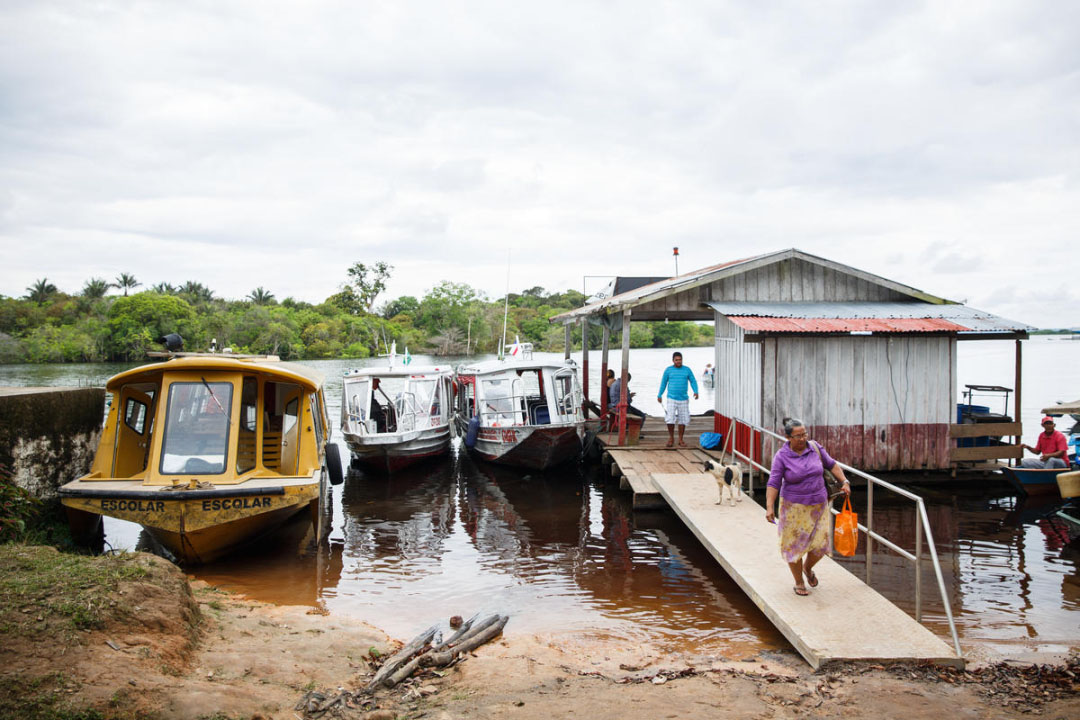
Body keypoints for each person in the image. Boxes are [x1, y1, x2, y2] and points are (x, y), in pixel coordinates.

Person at [765, 418, 851, 597]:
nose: (803, 438)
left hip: (819, 506)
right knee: (794, 547)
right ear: (788, 437)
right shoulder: (782, 456)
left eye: (804, 434)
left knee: (821, 546)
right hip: (793, 508)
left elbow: (832, 464)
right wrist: (769, 507)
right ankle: (798, 581)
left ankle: (808, 568)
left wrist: (845, 481)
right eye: (798, 436)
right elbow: (773, 482)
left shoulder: (815, 448)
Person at [656, 351, 699, 447]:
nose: (678, 361)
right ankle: (671, 438)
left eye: (680, 360)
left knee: (683, 419)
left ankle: (681, 439)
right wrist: (659, 395)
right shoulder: (668, 370)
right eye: (676, 360)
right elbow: (663, 383)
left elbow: (693, 381)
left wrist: (696, 391)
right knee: (670, 418)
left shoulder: (687, 370)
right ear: (673, 360)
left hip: (683, 398)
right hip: (671, 398)